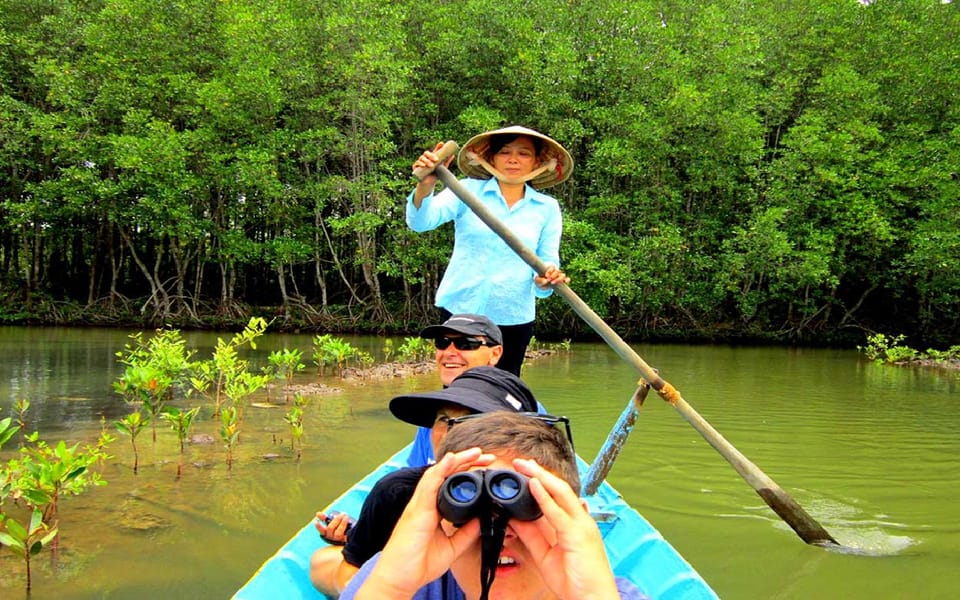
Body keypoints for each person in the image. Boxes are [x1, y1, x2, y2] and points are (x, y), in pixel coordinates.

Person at [339, 411, 646, 600]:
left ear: (577, 521)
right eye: (470, 507)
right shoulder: (398, 581)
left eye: (530, 504)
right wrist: (390, 590)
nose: (498, 529)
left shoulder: (610, 595)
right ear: (439, 519)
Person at [309, 367, 541, 598]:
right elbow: (351, 566)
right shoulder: (398, 491)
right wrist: (379, 585)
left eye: (474, 421)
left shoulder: (545, 501)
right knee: (322, 563)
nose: (452, 432)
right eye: (444, 419)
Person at [409, 125, 574, 376]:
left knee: (504, 390)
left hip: (513, 316)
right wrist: (426, 185)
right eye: (505, 152)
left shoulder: (547, 208)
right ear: (492, 158)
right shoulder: (466, 190)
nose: (513, 159)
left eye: (524, 153)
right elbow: (421, 222)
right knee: (458, 390)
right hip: (460, 308)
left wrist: (546, 280)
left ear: (537, 162)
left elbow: (546, 268)